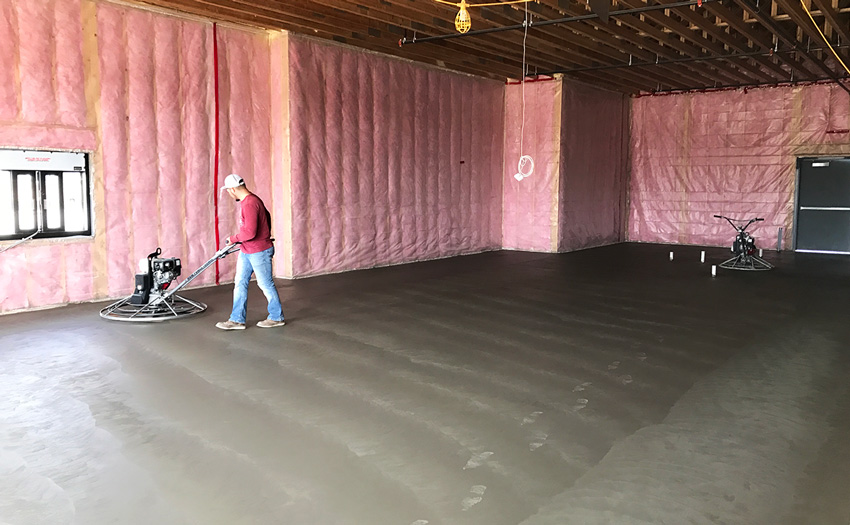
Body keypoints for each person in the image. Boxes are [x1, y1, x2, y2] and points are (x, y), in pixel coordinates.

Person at [215, 174, 286, 330]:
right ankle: (237, 320)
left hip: (259, 251)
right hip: (246, 250)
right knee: (240, 282)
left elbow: (250, 233)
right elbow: (266, 217)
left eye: (228, 191)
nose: (229, 193)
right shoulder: (250, 201)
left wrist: (233, 238)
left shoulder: (250, 203)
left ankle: (276, 317)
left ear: (232, 189)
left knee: (265, 284)